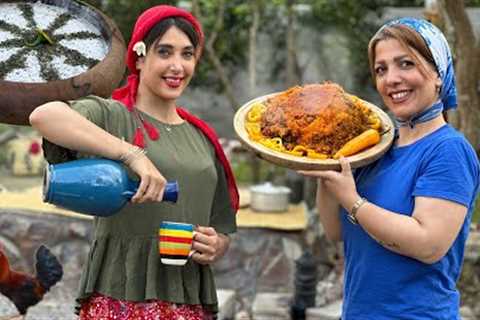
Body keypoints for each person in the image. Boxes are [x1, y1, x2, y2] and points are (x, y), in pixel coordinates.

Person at [29, 5, 239, 320]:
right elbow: (45, 116)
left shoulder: (203, 139)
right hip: (119, 300)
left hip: (188, 303)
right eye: (164, 52)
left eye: (187, 54)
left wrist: (216, 246)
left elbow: (220, 228)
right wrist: (131, 154)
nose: (177, 66)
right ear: (139, 58)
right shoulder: (112, 116)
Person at [299, 17, 480, 319]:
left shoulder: (448, 149)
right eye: (381, 69)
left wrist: (353, 201)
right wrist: (325, 168)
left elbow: (429, 244)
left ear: (438, 73)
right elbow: (336, 232)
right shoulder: (375, 146)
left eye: (405, 64)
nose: (391, 79)